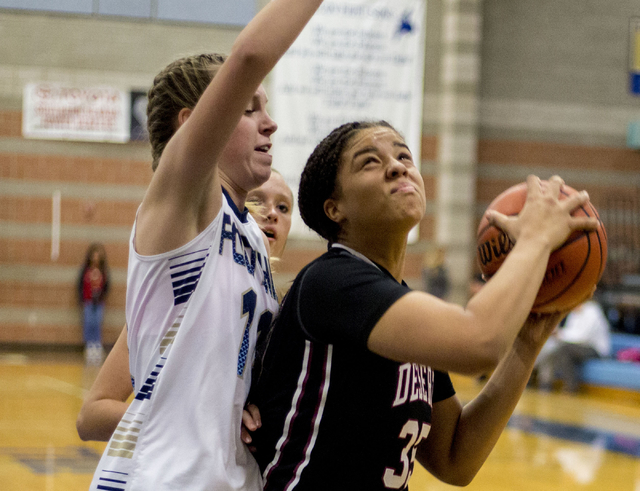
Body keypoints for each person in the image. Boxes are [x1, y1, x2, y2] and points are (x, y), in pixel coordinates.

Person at [249, 120, 598, 490]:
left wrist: (527, 345)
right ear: (335, 209)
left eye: (404, 155)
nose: (398, 166)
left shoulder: (399, 304)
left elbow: (454, 459)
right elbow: (479, 343)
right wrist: (535, 238)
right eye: (370, 162)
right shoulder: (331, 282)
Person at [88, 1, 323, 489]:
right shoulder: (183, 208)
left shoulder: (251, 239)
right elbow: (250, 55)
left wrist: (242, 406)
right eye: (247, 107)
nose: (271, 123)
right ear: (194, 123)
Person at [77, 171, 294, 442]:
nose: (271, 213)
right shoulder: (183, 298)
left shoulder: (286, 314)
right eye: (258, 201)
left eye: (283, 207)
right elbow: (91, 417)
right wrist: (207, 420)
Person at [534, 299, 611, 393]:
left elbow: (582, 337)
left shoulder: (592, 311)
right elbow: (570, 333)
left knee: (563, 350)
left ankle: (571, 388)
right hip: (577, 346)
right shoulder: (574, 313)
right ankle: (545, 383)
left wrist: (559, 334)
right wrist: (558, 334)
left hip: (595, 349)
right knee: (551, 347)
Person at [77, 243, 110, 365]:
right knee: (88, 323)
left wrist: (102, 296)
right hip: (88, 301)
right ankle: (89, 346)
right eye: (94, 255)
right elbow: (80, 285)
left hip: (99, 302)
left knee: (97, 323)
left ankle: (97, 345)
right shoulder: (86, 271)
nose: (95, 258)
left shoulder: (103, 271)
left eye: (98, 255)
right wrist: (82, 299)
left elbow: (106, 286)